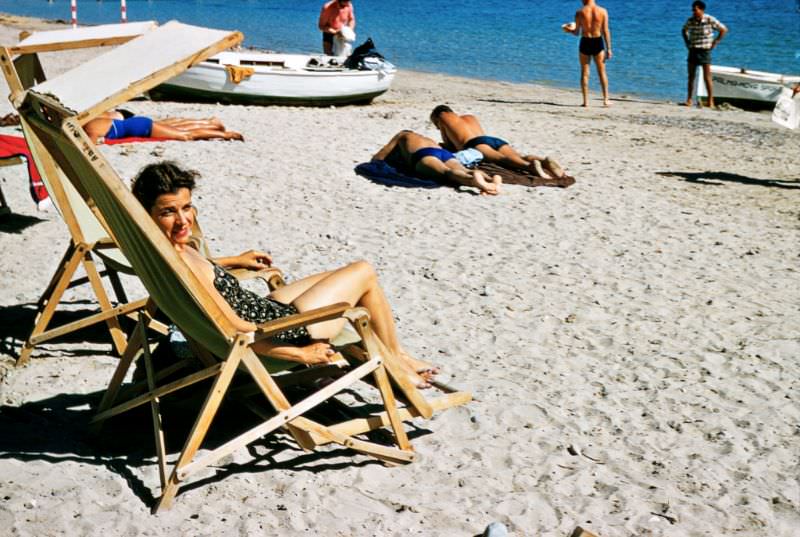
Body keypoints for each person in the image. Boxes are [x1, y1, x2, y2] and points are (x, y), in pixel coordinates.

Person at [131, 161, 437, 388]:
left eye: (187, 207)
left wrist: (236, 260)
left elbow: (207, 274)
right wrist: (300, 356)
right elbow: (236, 330)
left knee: (343, 274)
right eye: (168, 212)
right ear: (148, 215)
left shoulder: (167, 252)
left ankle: (398, 354)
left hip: (263, 308)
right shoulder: (182, 267)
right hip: (277, 329)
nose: (183, 220)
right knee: (363, 272)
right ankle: (395, 359)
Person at [429, 105, 565, 179]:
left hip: (475, 144)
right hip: (493, 140)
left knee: (502, 160)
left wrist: (441, 145)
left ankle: (529, 166)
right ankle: (543, 161)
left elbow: (448, 145)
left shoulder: (443, 117)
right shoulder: (469, 117)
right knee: (518, 155)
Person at [372, 130, 502, 195]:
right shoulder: (426, 138)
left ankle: (473, 182)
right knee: (465, 169)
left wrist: (377, 162)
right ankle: (492, 179)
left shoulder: (402, 135)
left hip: (424, 154)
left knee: (447, 173)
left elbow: (380, 156)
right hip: (444, 153)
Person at [84, 109, 244, 144]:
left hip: (140, 127)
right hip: (137, 125)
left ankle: (225, 134)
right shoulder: (91, 121)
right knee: (181, 130)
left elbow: (87, 147)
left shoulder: (89, 128)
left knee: (185, 135)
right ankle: (215, 126)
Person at [562, 0, 612, 107]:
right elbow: (605, 30)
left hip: (585, 41)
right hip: (598, 42)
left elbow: (576, 33)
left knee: (584, 72)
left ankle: (585, 102)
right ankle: (606, 99)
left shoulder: (580, 12)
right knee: (602, 72)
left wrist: (567, 29)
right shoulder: (603, 11)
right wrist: (609, 49)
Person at [682, 1, 727, 108]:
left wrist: (716, 41)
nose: (693, 12)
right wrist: (687, 42)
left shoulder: (709, 19)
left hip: (705, 51)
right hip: (693, 50)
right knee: (691, 76)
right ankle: (689, 99)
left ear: (702, 10)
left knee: (707, 77)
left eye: (695, 10)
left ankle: (711, 101)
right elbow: (684, 30)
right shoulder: (691, 20)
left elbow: (723, 29)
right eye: (693, 10)